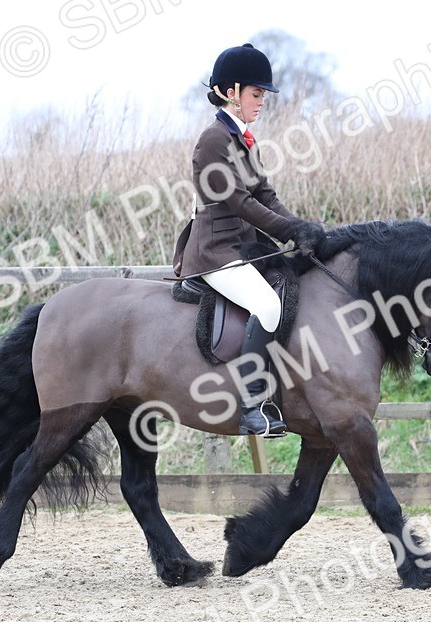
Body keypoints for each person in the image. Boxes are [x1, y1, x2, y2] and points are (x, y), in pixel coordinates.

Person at [172, 42, 325, 438]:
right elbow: (239, 201)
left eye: (263, 95)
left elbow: (265, 195)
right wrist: (287, 231)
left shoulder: (241, 138)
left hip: (242, 247)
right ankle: (251, 407)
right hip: (215, 251)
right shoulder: (214, 140)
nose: (262, 101)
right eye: (257, 94)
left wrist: (302, 226)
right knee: (267, 305)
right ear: (231, 92)